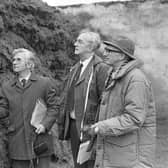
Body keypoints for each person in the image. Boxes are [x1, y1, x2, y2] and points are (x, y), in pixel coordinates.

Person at [89, 36, 156, 168]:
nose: (104, 53)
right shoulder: (115, 75)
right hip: (118, 153)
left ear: (122, 56)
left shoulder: (136, 79)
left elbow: (134, 118)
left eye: (109, 51)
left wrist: (101, 127)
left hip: (130, 158)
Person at [0, 48, 58, 168]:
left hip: (40, 138)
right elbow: (3, 110)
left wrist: (45, 125)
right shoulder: (7, 87)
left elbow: (54, 107)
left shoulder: (44, 83)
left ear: (29, 64)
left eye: (18, 60)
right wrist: (9, 125)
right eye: (13, 60)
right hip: (17, 139)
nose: (14, 62)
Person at [59, 31, 109, 168]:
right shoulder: (75, 68)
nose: (75, 44)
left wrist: (96, 126)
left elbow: (104, 101)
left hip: (90, 128)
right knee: (78, 164)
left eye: (80, 41)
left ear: (91, 47)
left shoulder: (101, 68)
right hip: (75, 126)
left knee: (90, 164)